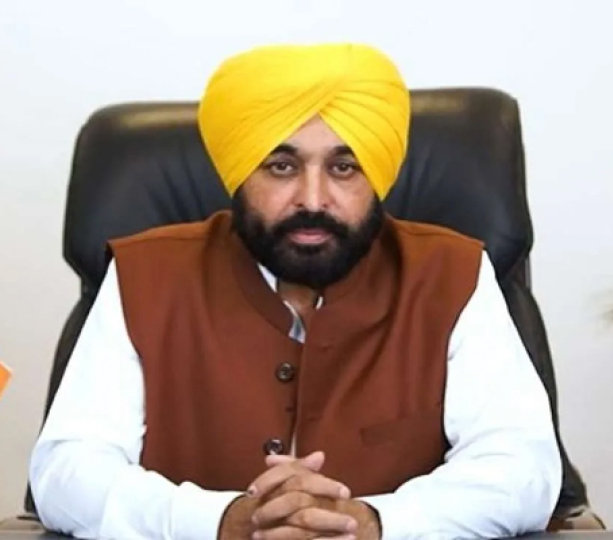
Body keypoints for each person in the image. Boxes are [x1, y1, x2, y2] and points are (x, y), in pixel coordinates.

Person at [28, 42, 562, 540]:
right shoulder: (147, 274)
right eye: (281, 167)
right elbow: (67, 471)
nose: (312, 199)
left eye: (344, 167)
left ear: (378, 175)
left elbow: (521, 467)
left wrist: (373, 523)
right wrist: (220, 521)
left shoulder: (451, 273)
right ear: (239, 173)